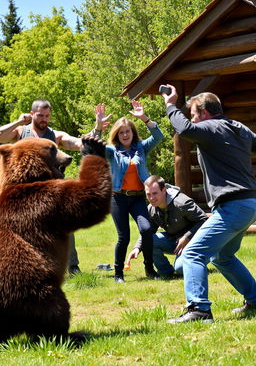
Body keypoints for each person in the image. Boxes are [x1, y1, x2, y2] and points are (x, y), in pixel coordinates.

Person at [160, 85, 256, 323]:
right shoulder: (239, 128)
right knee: (223, 256)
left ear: (204, 112)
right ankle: (255, 300)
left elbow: (183, 128)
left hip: (233, 205)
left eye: (193, 114)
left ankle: (199, 310)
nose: (193, 119)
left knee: (193, 254)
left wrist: (171, 105)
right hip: (249, 202)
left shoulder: (210, 127)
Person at [0, 98, 109, 276]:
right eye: (40, 115)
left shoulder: (55, 135)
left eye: (47, 116)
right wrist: (19, 121)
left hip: (49, 191)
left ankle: (72, 266)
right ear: (32, 114)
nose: (44, 119)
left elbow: (80, 143)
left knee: (65, 227)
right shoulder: (21, 131)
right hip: (22, 192)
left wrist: (96, 129)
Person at [96, 101, 164, 283]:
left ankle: (150, 268)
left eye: (128, 131)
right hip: (118, 199)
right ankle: (118, 274)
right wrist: (98, 127)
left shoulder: (141, 148)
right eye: (121, 132)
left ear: (133, 133)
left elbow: (158, 136)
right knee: (123, 237)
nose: (125, 134)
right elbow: (94, 148)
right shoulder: (112, 151)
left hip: (138, 198)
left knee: (147, 229)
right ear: (117, 135)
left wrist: (144, 118)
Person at [127, 175, 207, 277]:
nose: (151, 198)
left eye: (155, 193)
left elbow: (204, 221)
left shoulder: (181, 203)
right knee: (150, 240)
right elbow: (148, 231)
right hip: (175, 241)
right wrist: (137, 248)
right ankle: (166, 273)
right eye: (148, 194)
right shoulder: (152, 209)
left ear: (164, 190)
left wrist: (187, 237)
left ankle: (204, 259)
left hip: (195, 241)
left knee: (180, 268)